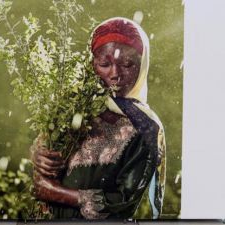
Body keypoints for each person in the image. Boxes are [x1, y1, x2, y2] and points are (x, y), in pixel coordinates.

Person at [32, 17, 166, 219]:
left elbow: (124, 202)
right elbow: (42, 170)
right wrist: (39, 156)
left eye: (127, 64)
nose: (115, 74)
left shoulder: (145, 127)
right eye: (105, 63)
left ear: (142, 66)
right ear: (91, 65)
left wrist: (57, 193)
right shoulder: (72, 109)